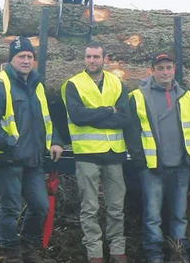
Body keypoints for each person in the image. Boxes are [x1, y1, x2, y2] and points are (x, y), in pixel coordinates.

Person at [0, 37, 63, 263]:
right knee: (11, 208)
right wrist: (8, 144)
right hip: (7, 158)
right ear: (11, 60)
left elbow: (46, 119)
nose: (26, 60)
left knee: (40, 206)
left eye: (30, 57)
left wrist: (55, 140)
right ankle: (11, 254)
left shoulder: (37, 85)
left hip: (33, 158)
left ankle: (28, 248)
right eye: (21, 56)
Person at [61, 42, 132, 263]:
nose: (92, 61)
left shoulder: (117, 83)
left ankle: (117, 251)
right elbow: (77, 116)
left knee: (116, 207)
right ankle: (95, 254)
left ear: (105, 59)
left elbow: (125, 117)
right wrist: (108, 112)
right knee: (89, 207)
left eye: (96, 57)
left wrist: (95, 118)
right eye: (88, 57)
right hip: (87, 154)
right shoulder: (73, 85)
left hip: (114, 153)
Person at [125, 52, 190, 263]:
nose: (165, 72)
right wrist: (140, 160)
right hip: (152, 167)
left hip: (181, 166)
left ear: (174, 69)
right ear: (152, 71)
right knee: (152, 217)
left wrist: (189, 157)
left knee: (179, 215)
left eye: (169, 68)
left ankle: (178, 254)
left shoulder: (184, 95)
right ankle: (154, 257)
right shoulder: (138, 96)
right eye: (161, 68)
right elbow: (131, 131)